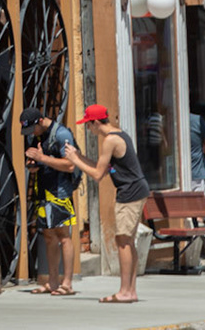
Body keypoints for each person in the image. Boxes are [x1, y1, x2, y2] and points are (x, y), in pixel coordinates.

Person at [63, 104, 148, 305]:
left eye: (88, 125)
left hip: (130, 192)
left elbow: (97, 175)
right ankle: (130, 291)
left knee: (123, 241)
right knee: (126, 241)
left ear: (96, 123)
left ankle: (125, 291)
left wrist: (74, 159)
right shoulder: (118, 134)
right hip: (134, 190)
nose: (89, 129)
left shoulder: (110, 140)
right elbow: (100, 166)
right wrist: (78, 156)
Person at [20, 106, 80, 296]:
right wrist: (33, 164)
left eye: (32, 129)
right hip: (43, 192)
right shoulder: (36, 137)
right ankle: (52, 282)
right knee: (48, 237)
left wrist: (42, 158)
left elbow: (71, 164)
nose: (31, 135)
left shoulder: (61, 134)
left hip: (60, 192)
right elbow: (40, 161)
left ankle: (68, 283)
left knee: (63, 236)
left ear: (40, 121)